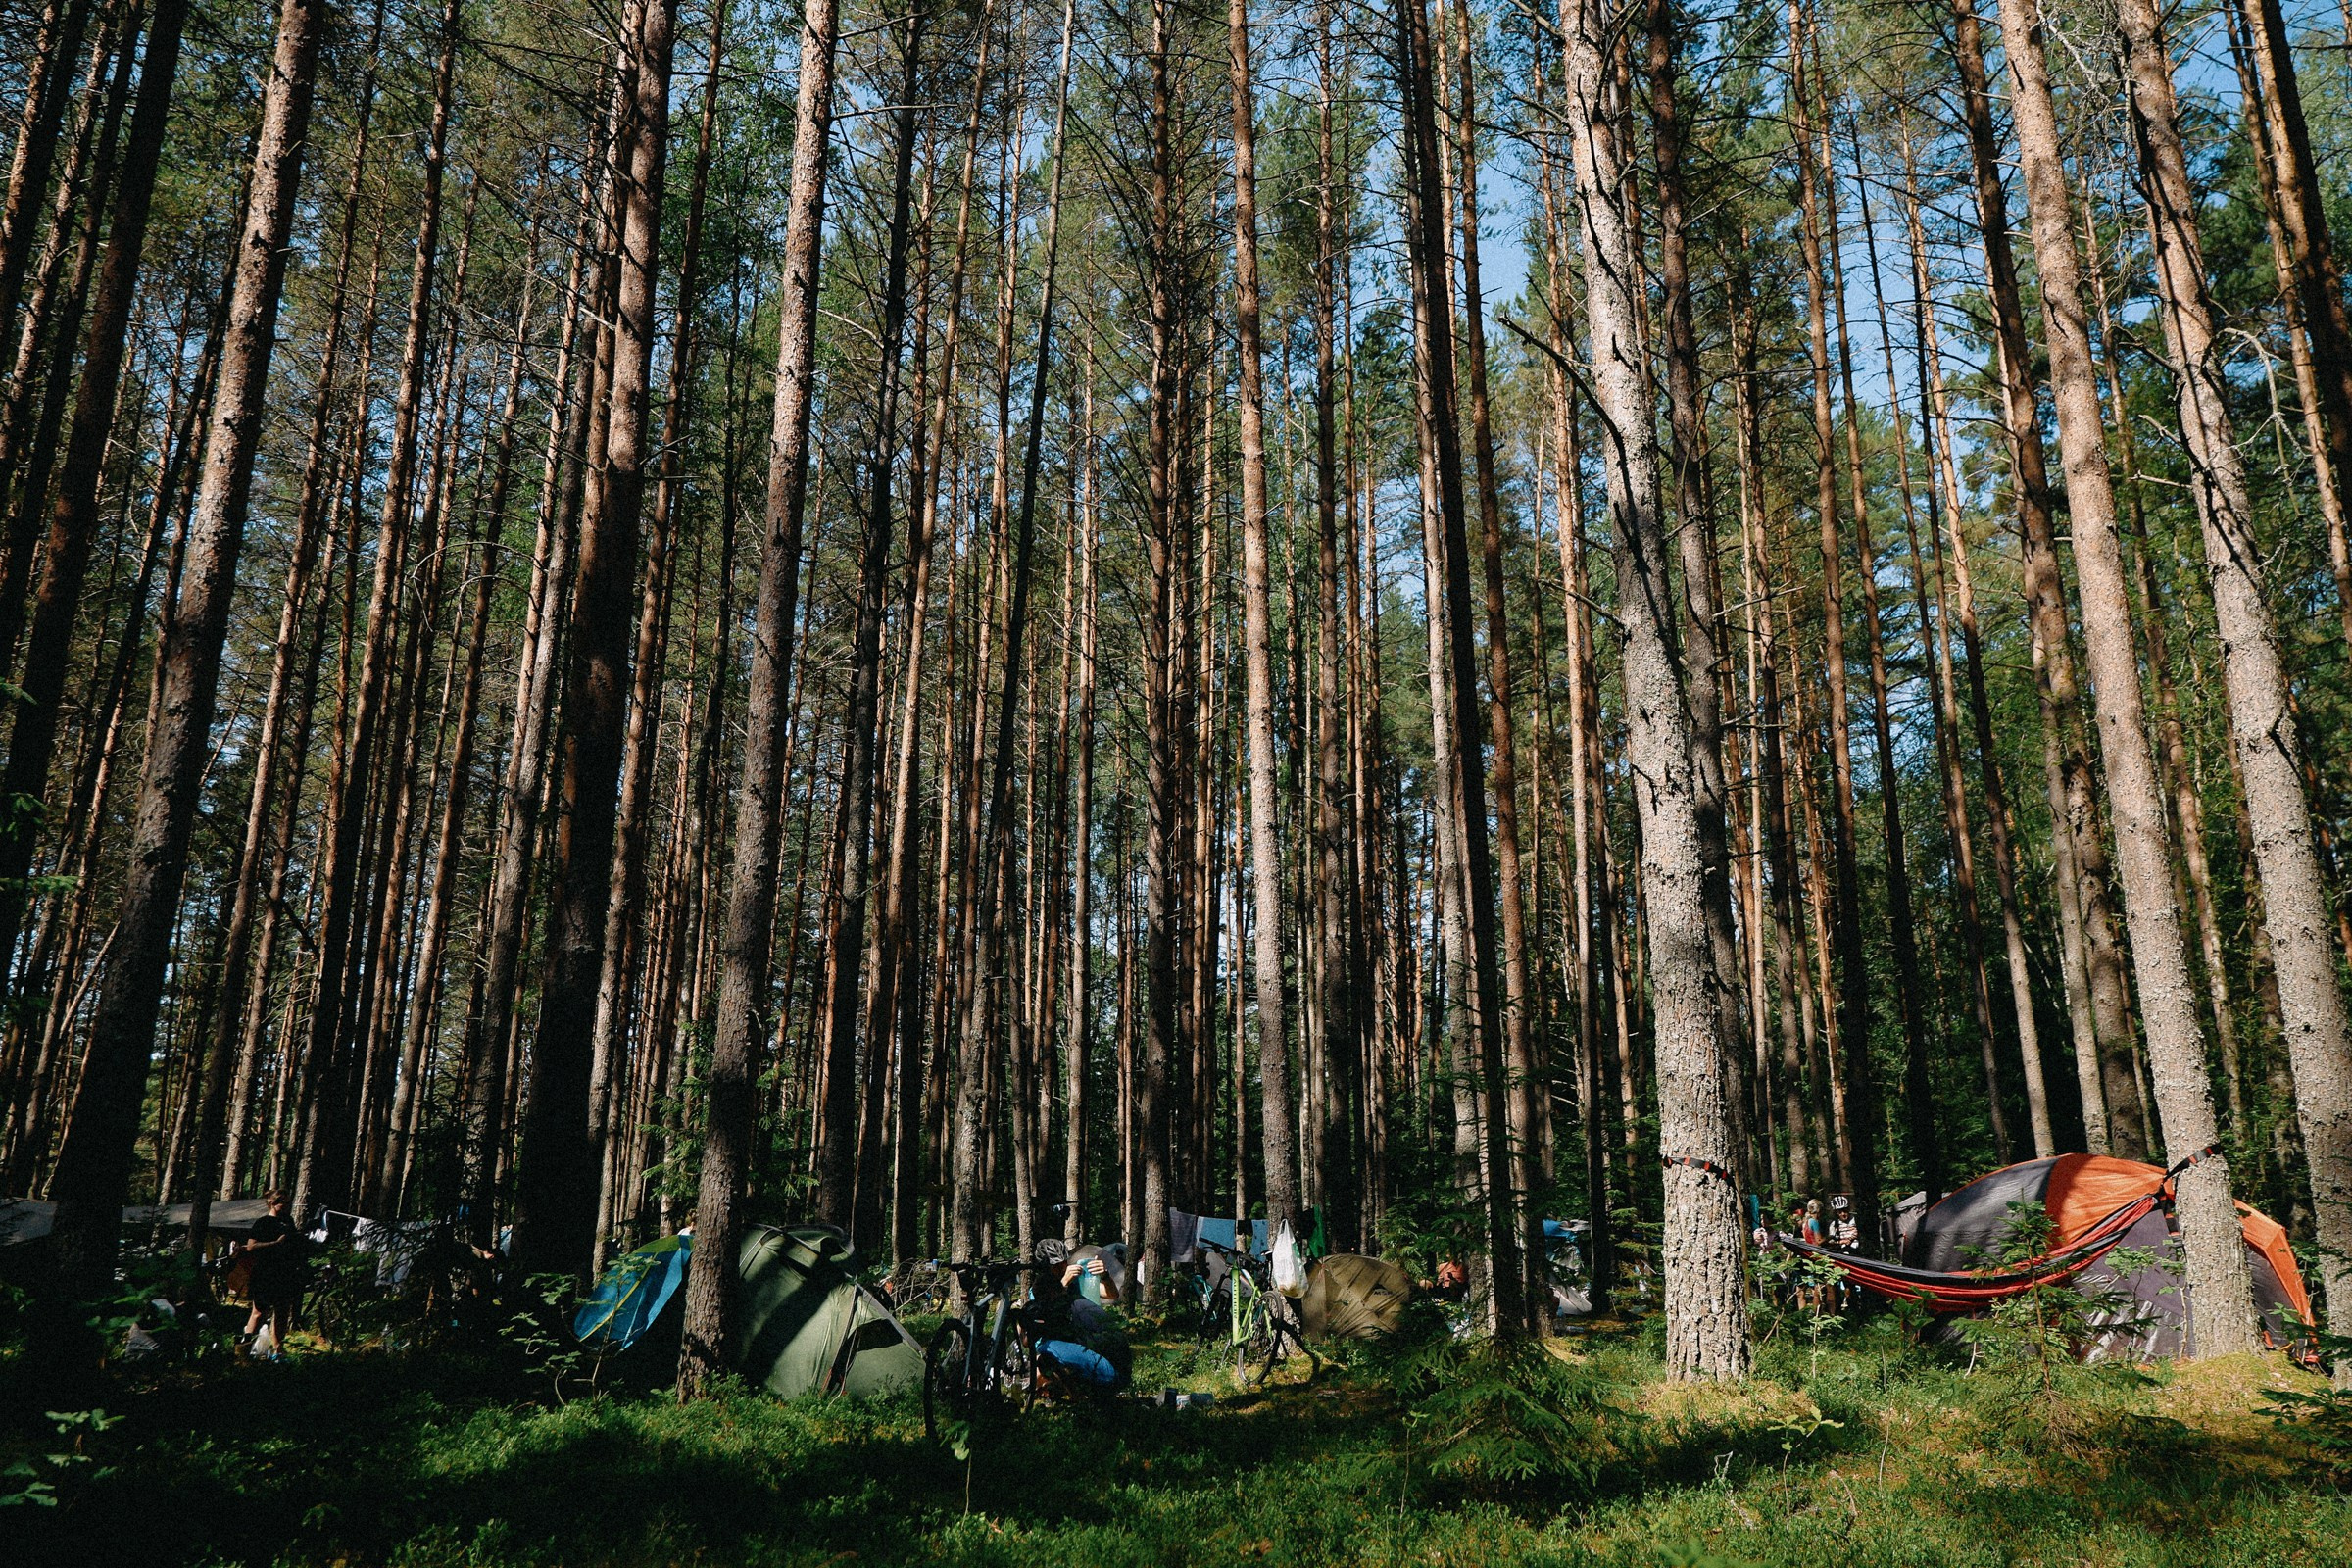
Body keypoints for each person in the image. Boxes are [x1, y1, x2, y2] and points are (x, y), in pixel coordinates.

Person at [1030, 1239, 1132, 1395]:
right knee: (1044, 1351)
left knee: (1047, 1350)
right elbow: (1041, 1317)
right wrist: (1064, 1282)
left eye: (1064, 1263)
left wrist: (1104, 1275)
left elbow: (1112, 1294)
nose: (1062, 1268)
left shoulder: (1076, 1285)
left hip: (1102, 1359)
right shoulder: (1039, 1293)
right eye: (1055, 1267)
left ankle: (1074, 1393)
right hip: (1080, 1350)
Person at [239, 1192, 306, 1360]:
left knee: (282, 1310)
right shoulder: (263, 1223)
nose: (288, 1207)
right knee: (259, 1311)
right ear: (273, 1203)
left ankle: (278, 1349)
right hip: (265, 1272)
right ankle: (245, 1347)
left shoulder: (288, 1222)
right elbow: (250, 1247)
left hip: (284, 1273)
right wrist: (274, 1244)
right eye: (284, 1203)